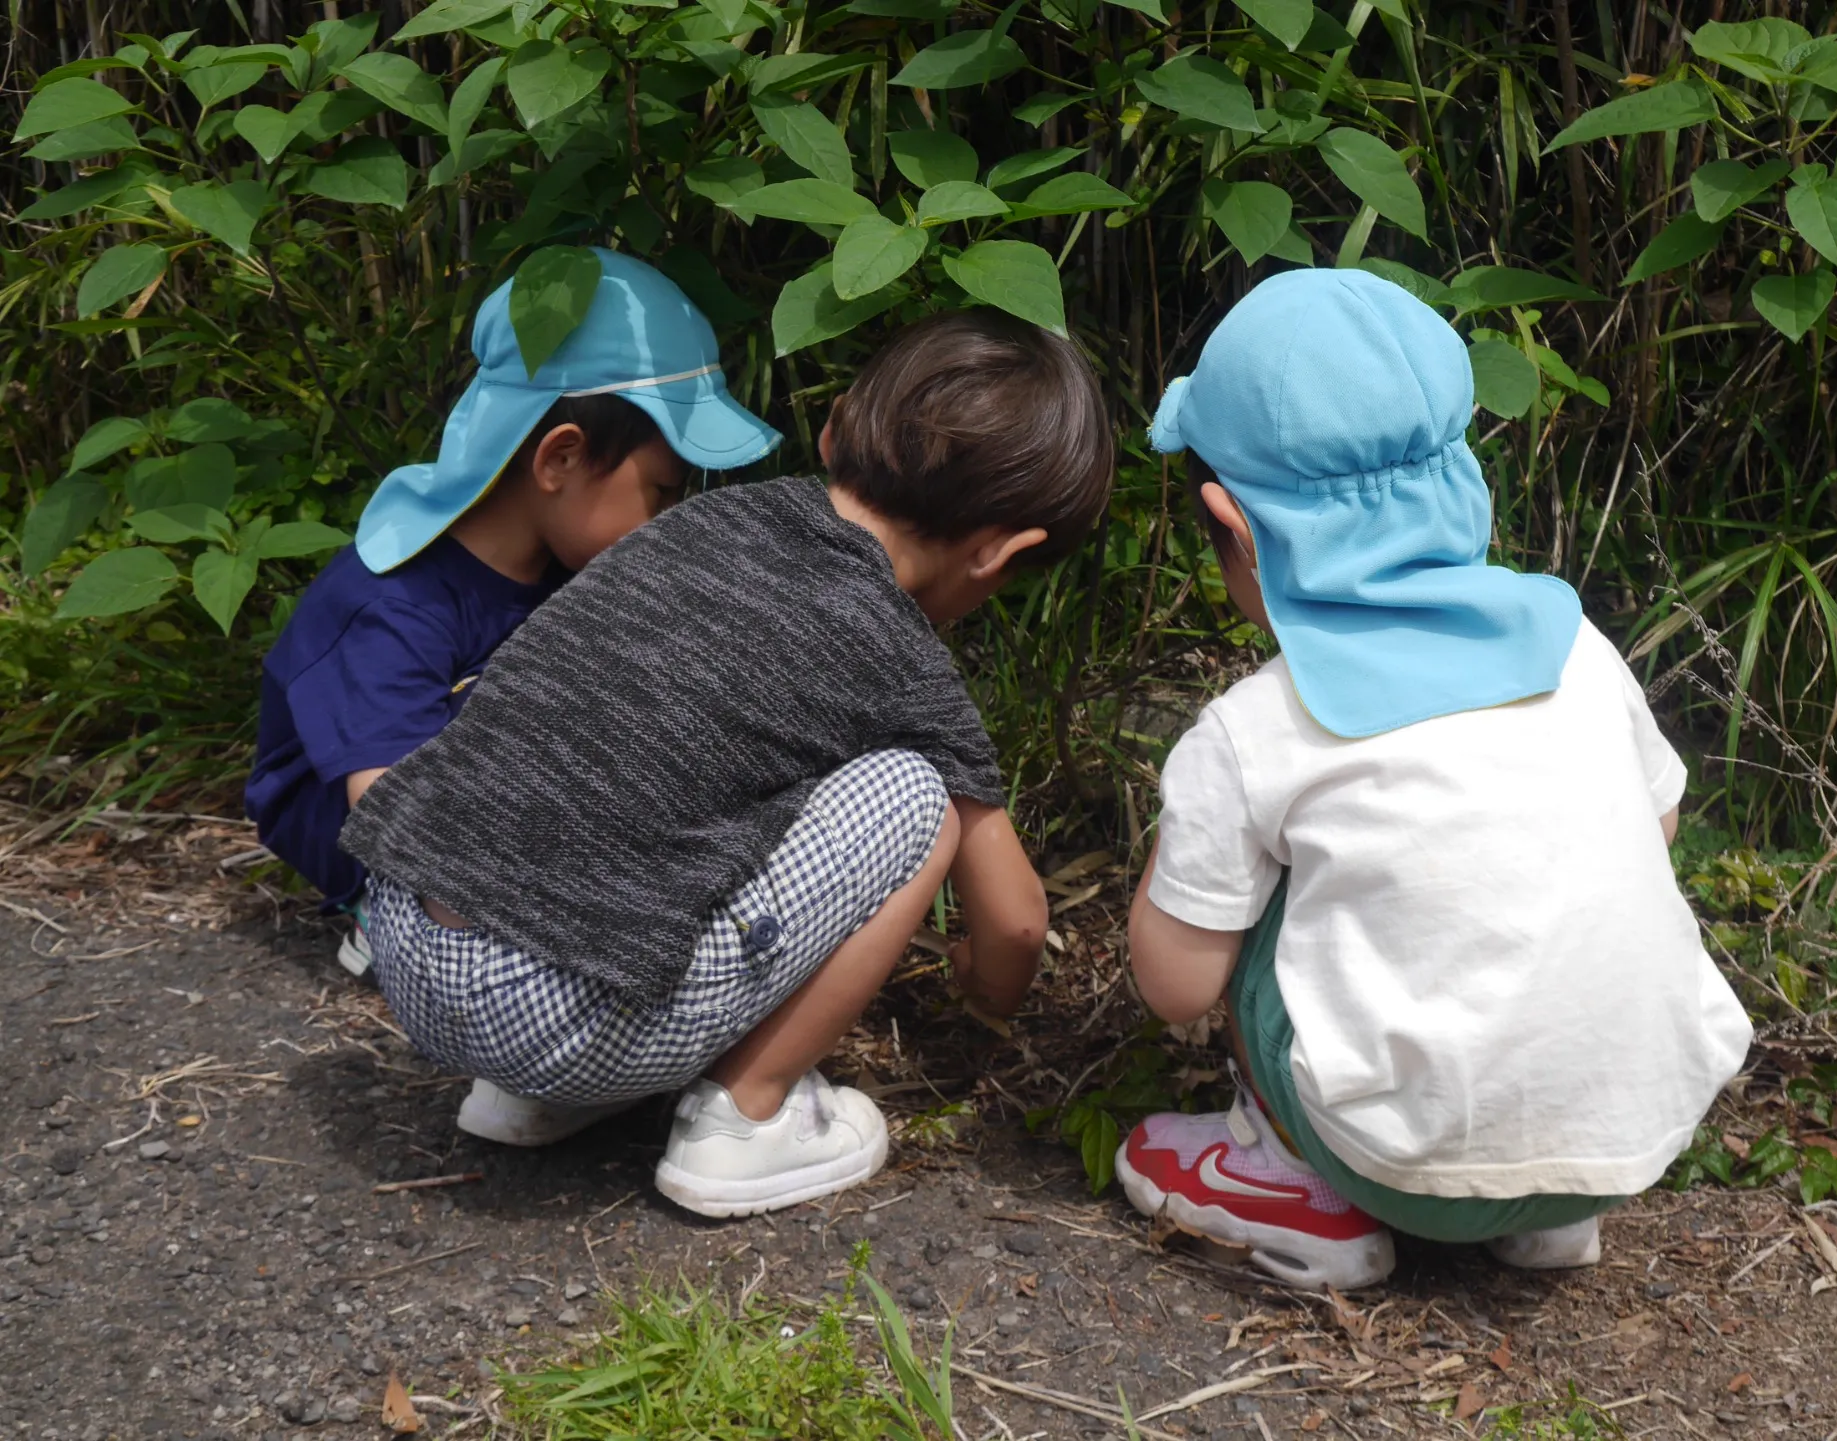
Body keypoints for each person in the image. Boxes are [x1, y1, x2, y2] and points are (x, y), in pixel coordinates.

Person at [336, 310, 1114, 1216]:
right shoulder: (896, 649)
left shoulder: (702, 520)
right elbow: (1016, 924)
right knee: (914, 799)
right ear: (1000, 554)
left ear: (832, 429)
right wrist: (984, 999)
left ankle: (535, 1096)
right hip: (544, 1012)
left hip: (405, 942)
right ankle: (745, 1119)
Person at [1116, 270, 1753, 1290]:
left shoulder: (1256, 728)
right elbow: (1659, 821)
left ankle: (1290, 1180)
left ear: (1231, 526)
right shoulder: (1575, 643)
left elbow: (1175, 984)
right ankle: (1549, 1213)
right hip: (1628, 1135)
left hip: (1397, 1162)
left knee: (1264, 895)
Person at [245, 251, 777, 977]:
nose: (669, 521)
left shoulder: (570, 561)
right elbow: (391, 801)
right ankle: (391, 917)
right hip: (366, 814)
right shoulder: (393, 603)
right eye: (660, 493)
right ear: (560, 459)